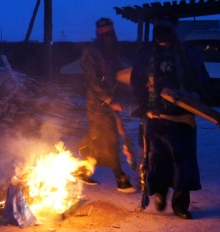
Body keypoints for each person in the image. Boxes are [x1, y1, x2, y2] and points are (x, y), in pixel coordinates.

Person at [130, 12, 210, 219]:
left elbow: (202, 79)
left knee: (182, 161)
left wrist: (195, 94)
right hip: (155, 118)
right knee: (157, 160)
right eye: (159, 34)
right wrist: (142, 104)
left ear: (173, 33)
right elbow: (136, 82)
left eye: (166, 33)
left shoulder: (187, 55)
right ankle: (159, 193)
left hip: (182, 118)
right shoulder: (145, 55)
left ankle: (180, 204)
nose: (162, 38)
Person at [77, 18, 136, 194]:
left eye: (110, 33)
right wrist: (109, 99)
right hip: (97, 103)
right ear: (99, 34)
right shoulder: (92, 51)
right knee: (109, 138)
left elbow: (117, 75)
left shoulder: (112, 53)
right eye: (104, 33)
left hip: (109, 102)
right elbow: (93, 80)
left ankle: (81, 170)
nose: (108, 37)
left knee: (95, 137)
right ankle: (120, 177)